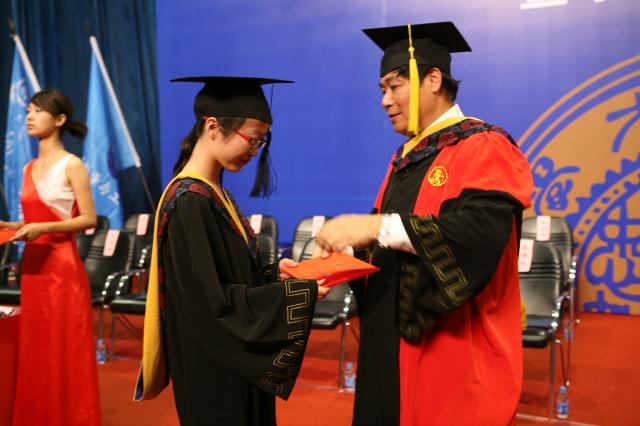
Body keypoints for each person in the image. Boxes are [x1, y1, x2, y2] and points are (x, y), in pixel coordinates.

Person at [314, 22, 534, 425]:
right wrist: (338, 258)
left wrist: (375, 227)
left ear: (432, 79)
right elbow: (385, 241)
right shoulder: (405, 157)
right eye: (382, 90)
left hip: (449, 347)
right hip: (387, 340)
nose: (385, 100)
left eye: (394, 86)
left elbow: (480, 236)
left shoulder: (484, 145)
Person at [135, 76, 329, 425]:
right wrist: (297, 295)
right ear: (212, 126)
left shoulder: (212, 193)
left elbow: (225, 274)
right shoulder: (190, 202)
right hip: (214, 370)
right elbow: (213, 305)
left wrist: (275, 275)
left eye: (261, 142)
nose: (255, 152)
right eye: (252, 140)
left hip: (230, 361)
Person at [0, 88, 101, 425]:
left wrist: (42, 227)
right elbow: (34, 220)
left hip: (62, 269)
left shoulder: (72, 164)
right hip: (33, 268)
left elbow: (89, 219)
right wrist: (12, 225)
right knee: (37, 346)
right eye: (28, 110)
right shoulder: (28, 167)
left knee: (64, 347)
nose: (29, 116)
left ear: (59, 119)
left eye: (37, 110)